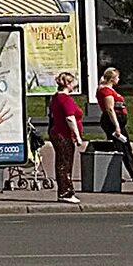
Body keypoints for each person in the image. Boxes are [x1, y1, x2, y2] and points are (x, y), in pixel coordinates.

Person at [95, 66, 133, 185]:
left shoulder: (110, 90)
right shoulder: (106, 91)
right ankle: (116, 173)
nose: (119, 79)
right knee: (118, 148)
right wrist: (116, 126)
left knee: (125, 147)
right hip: (112, 121)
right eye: (117, 77)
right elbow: (110, 109)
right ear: (112, 79)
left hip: (118, 121)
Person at [46, 70, 85, 204]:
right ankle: (66, 192)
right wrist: (78, 136)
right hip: (64, 134)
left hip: (56, 132)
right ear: (68, 84)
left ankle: (64, 191)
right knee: (65, 163)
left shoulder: (55, 97)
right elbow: (70, 118)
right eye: (73, 82)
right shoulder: (65, 99)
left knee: (62, 162)